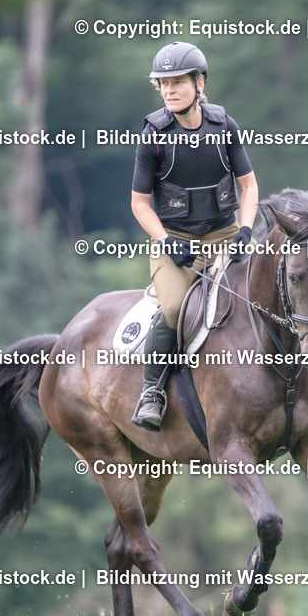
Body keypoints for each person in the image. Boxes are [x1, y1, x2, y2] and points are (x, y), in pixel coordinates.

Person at [130, 41, 259, 430]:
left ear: (199, 83)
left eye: (177, 82)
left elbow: (249, 187)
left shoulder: (224, 127)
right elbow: (139, 203)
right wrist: (166, 242)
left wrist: (247, 230)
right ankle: (151, 392)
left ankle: (301, 378)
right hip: (174, 240)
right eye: (163, 84)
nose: (169, 90)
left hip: (224, 233)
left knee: (266, 289)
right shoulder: (154, 134)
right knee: (172, 308)